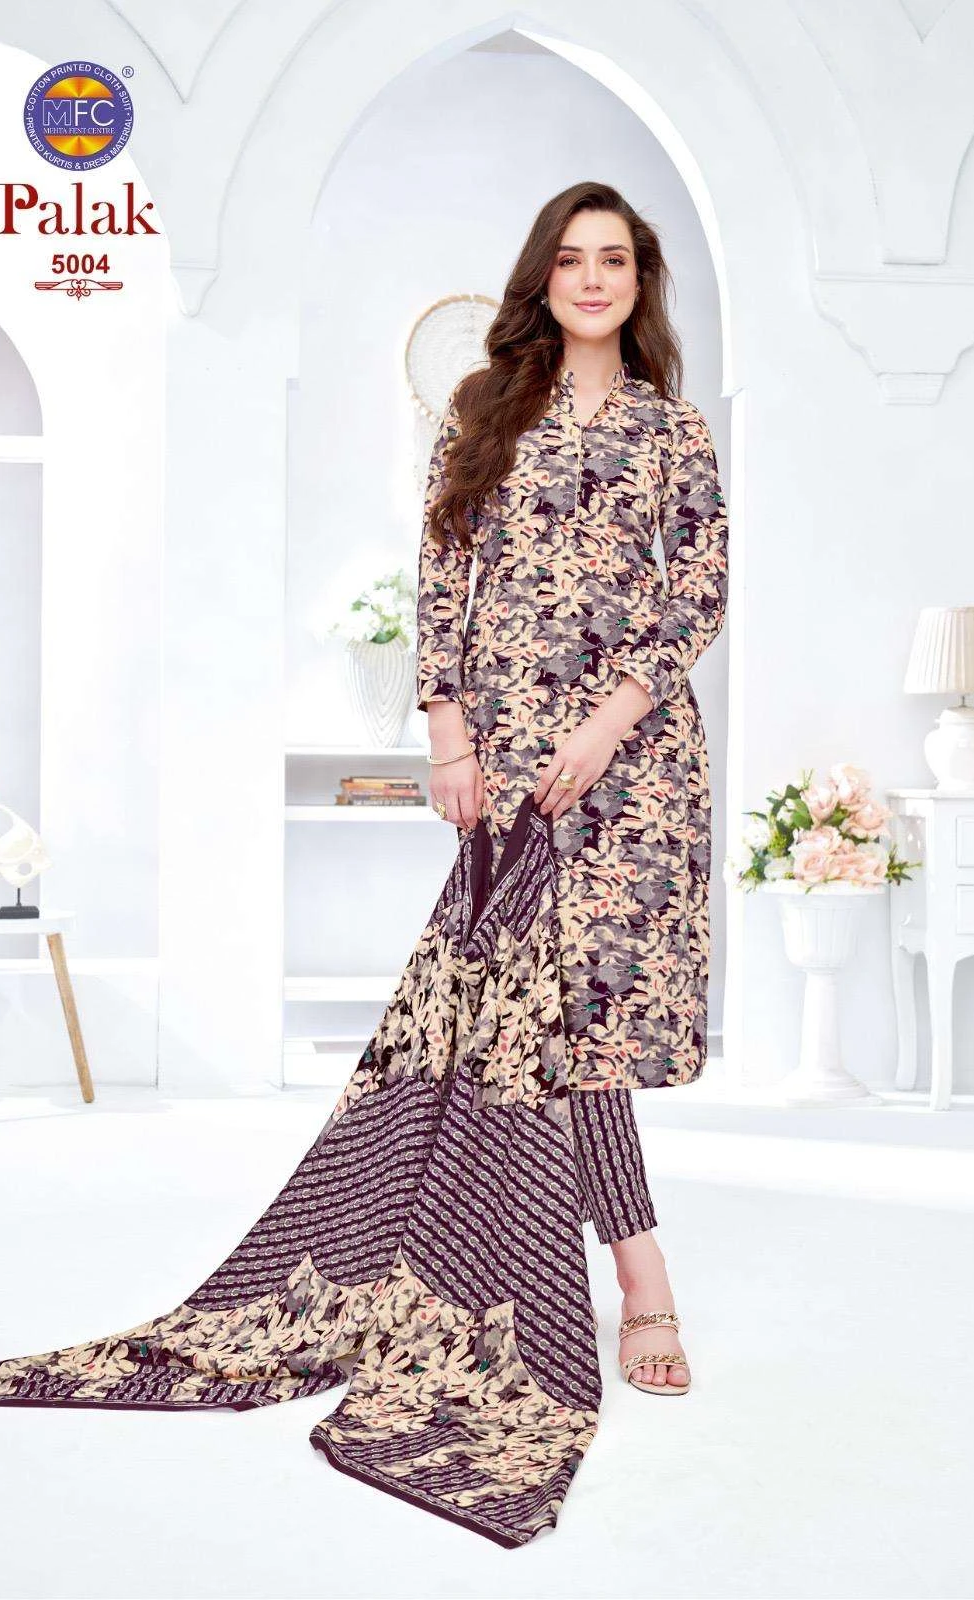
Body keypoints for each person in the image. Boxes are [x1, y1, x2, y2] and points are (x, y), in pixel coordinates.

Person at [417, 180, 729, 1395]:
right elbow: (441, 568)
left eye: (614, 260)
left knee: (592, 1016)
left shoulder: (671, 429)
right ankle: (639, 1276)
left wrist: (607, 724)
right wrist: (449, 732)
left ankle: (615, 1268)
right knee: (539, 1014)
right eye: (570, 258)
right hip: (510, 760)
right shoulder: (482, 409)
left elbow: (698, 589)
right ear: (540, 279)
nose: (592, 278)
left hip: (636, 764)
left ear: (639, 282)